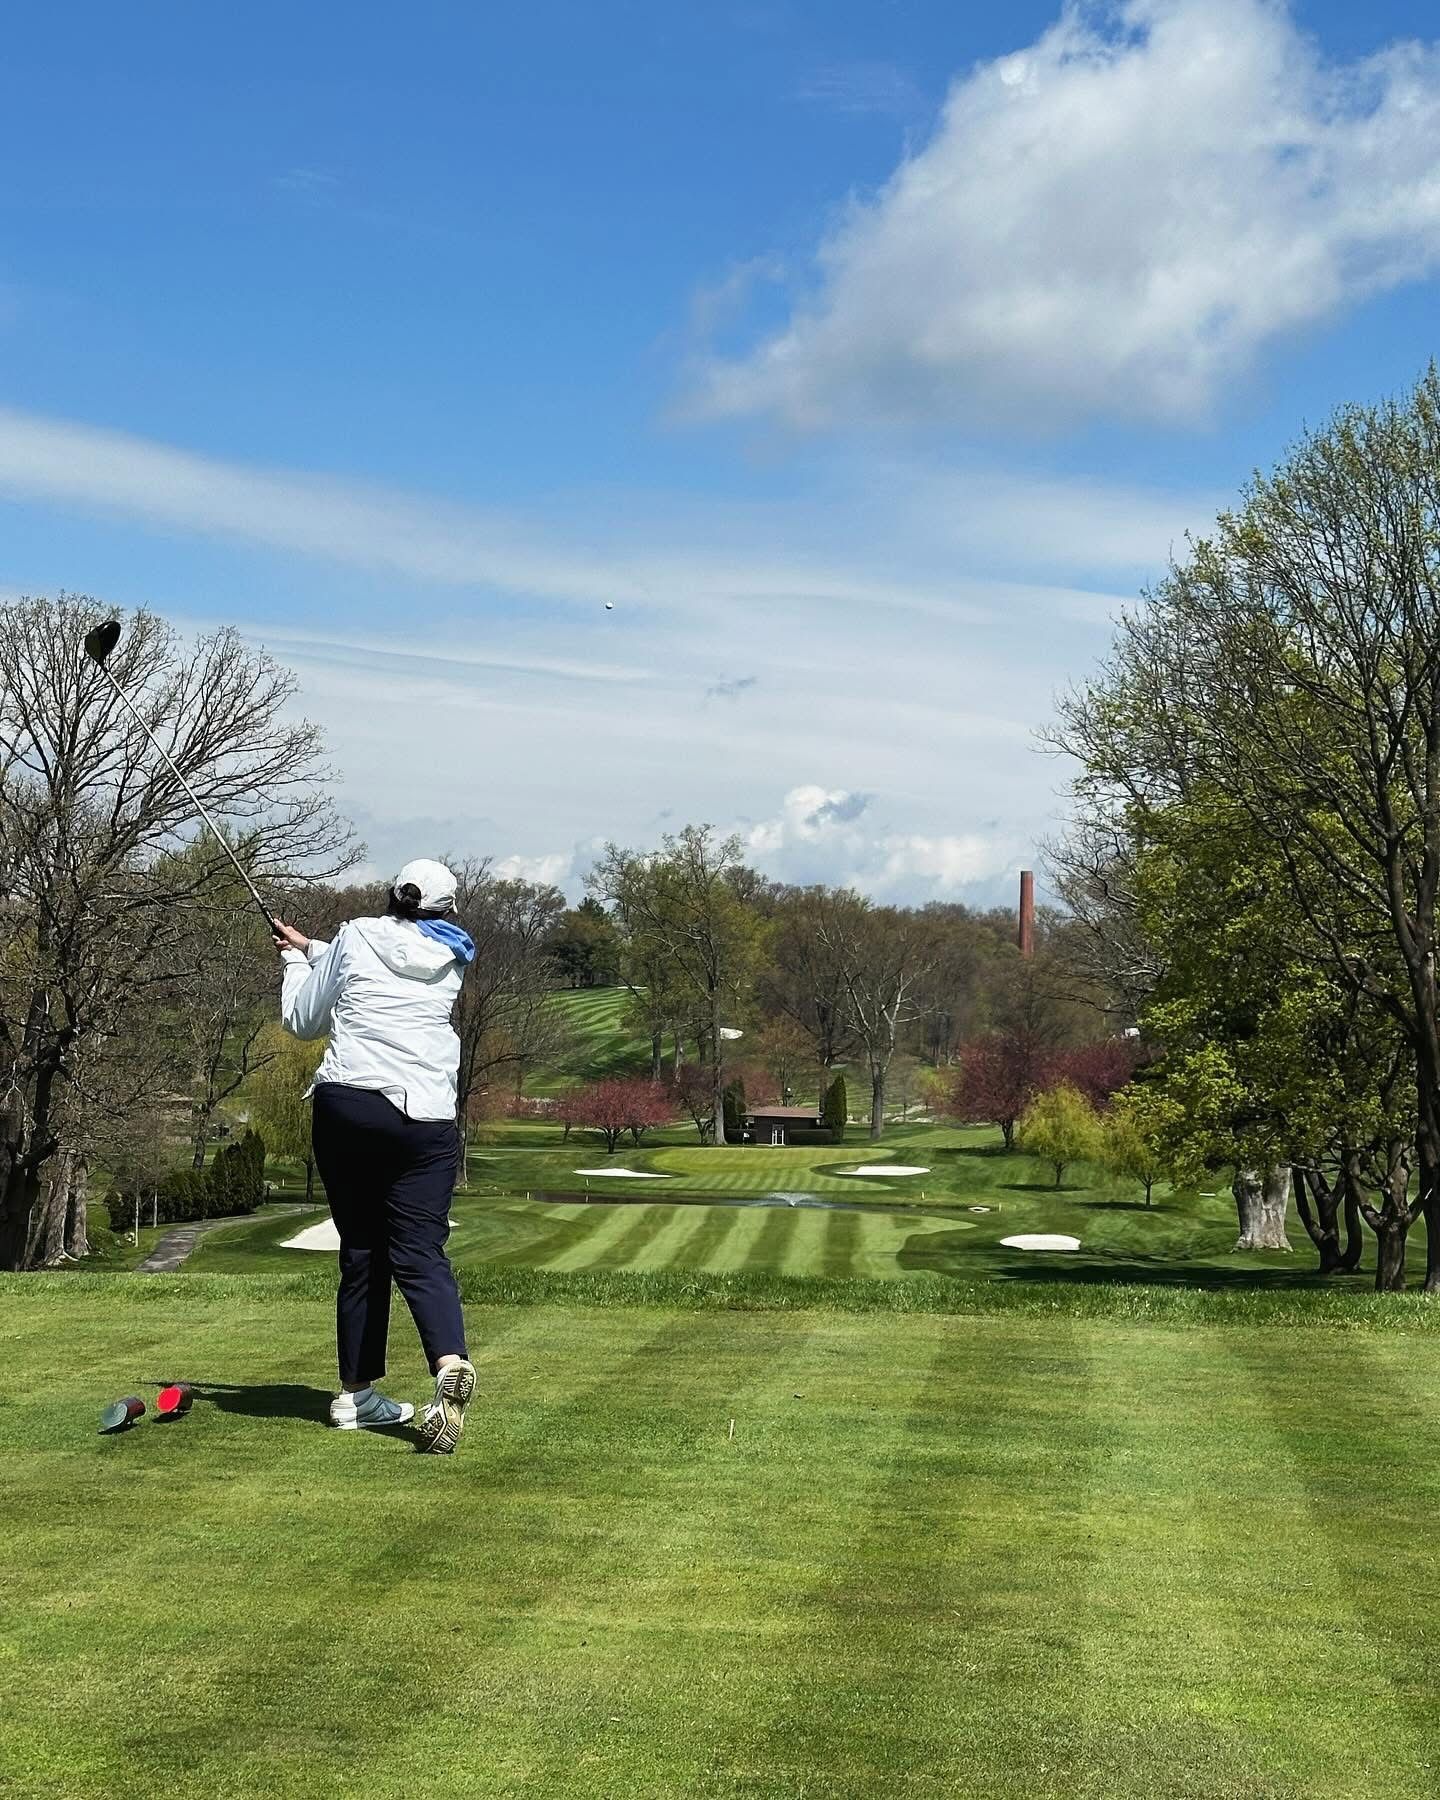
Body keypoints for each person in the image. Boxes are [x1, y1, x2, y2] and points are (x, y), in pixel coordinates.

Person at [273, 858, 478, 1454]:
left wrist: (294, 959)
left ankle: (356, 1394)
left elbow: (302, 1020)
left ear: (392, 894)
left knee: (362, 1248)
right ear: (444, 910)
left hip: (350, 1106)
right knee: (419, 1249)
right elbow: (381, 959)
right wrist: (315, 948)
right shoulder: (453, 956)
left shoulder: (357, 934)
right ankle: (447, 1361)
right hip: (424, 1118)